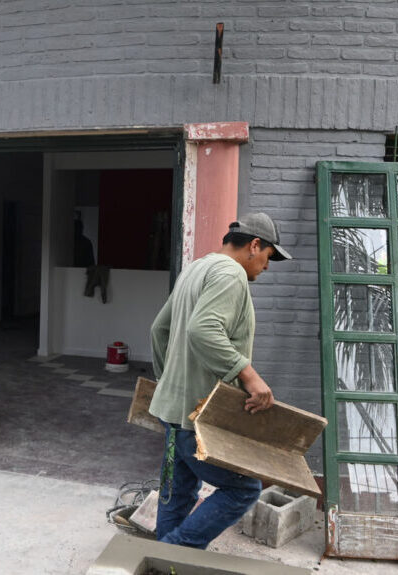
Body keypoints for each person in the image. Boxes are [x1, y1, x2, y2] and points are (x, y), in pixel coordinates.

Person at [148, 212, 291, 549]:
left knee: (177, 493)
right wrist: (250, 376)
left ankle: (160, 558)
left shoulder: (197, 267)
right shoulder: (231, 274)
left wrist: (167, 383)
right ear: (255, 245)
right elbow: (204, 329)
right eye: (269, 257)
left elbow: (159, 330)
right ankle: (174, 552)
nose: (266, 268)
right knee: (242, 489)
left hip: (173, 411)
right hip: (199, 415)